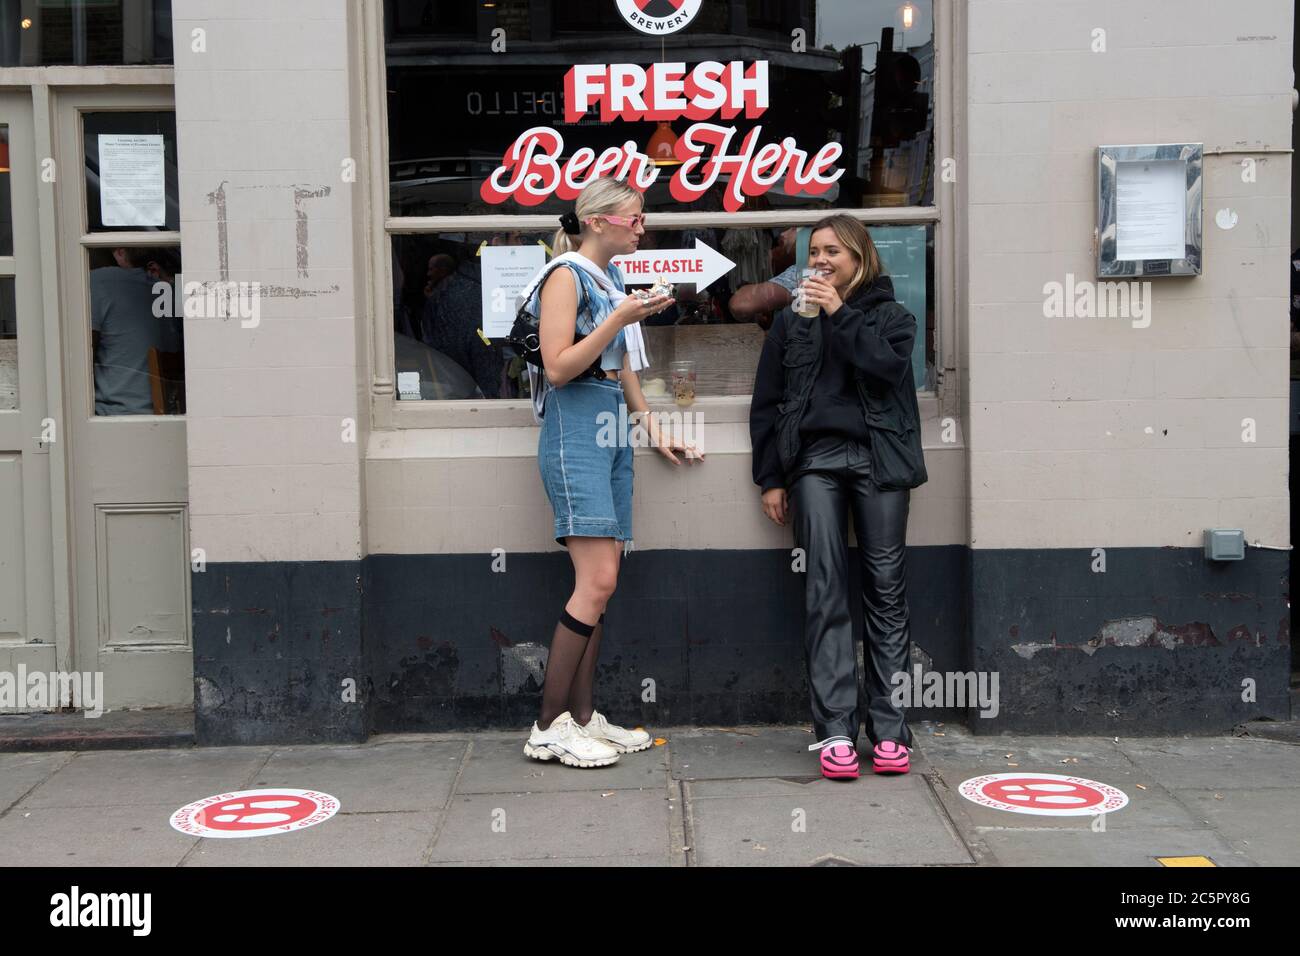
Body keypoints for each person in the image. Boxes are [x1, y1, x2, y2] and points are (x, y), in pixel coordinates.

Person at [521, 175, 703, 768]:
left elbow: (619, 366)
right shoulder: (565, 276)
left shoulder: (610, 279)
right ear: (598, 221)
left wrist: (651, 426)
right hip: (575, 428)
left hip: (608, 428)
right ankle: (547, 726)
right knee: (596, 582)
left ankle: (580, 718)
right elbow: (557, 367)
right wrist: (620, 314)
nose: (642, 225)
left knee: (600, 584)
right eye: (635, 216)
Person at [749, 214, 928, 780]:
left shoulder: (894, 319)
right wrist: (772, 477)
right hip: (816, 465)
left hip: (879, 463)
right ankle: (833, 733)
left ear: (859, 258)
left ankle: (891, 728)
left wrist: (837, 311)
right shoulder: (787, 324)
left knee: (885, 591)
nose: (820, 259)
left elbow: (886, 368)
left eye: (833, 251)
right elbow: (768, 403)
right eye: (814, 250)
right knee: (825, 589)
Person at [90, 247, 182, 416]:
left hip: (115, 415)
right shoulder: (172, 290)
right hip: (172, 411)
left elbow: (80, 357)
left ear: (120, 252)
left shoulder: (102, 282)